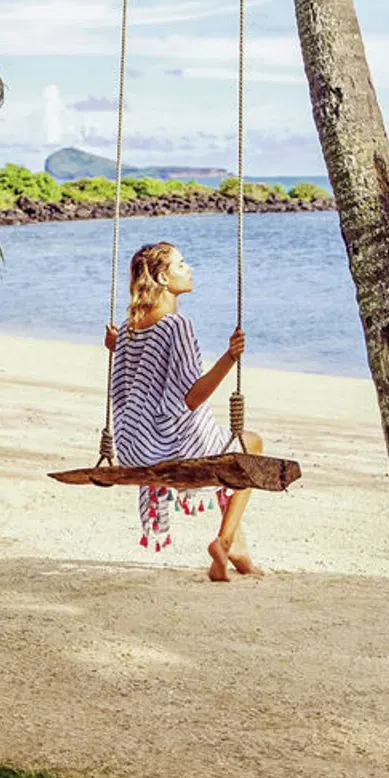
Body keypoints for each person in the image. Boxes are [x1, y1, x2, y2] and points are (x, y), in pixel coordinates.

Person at [105, 240, 264, 579]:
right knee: (251, 446)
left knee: (229, 451)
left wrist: (116, 348)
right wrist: (230, 356)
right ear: (162, 278)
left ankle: (238, 548)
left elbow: (130, 385)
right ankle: (223, 541)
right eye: (180, 265)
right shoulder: (177, 326)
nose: (188, 268)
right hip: (168, 445)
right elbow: (192, 399)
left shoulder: (131, 325)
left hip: (134, 447)